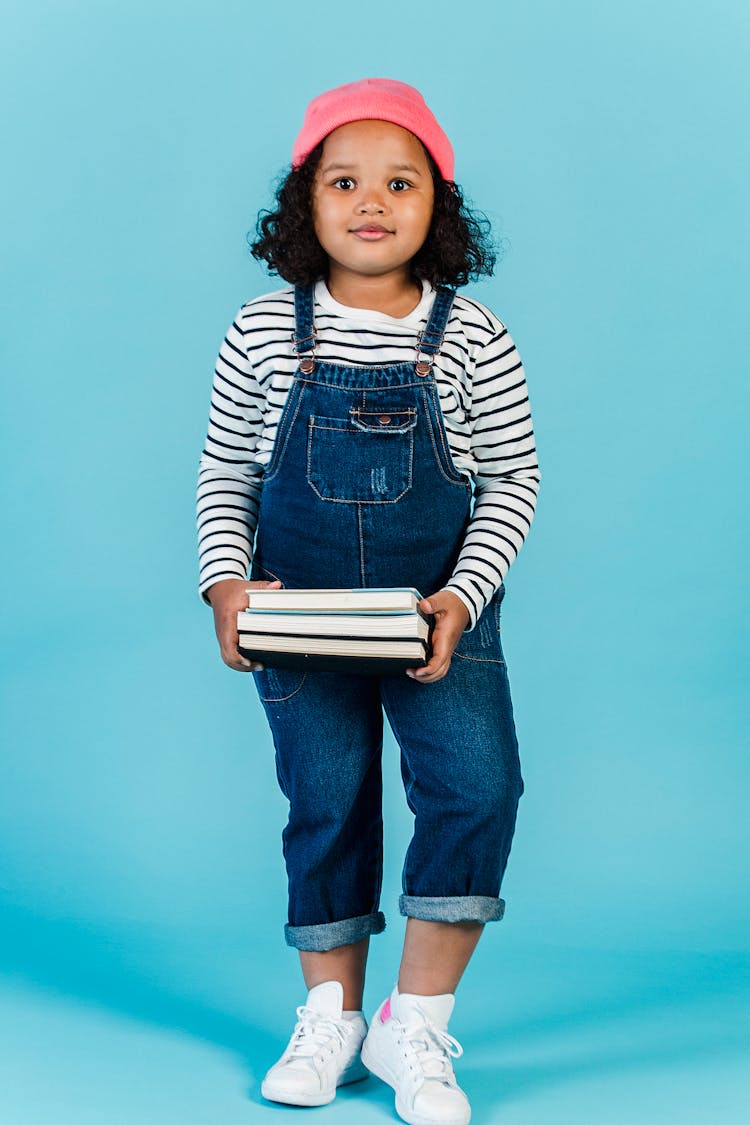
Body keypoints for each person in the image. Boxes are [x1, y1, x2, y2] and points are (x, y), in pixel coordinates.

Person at [196, 77, 541, 1125]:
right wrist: (225, 585)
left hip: (436, 616)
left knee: (478, 790)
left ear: (440, 206)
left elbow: (513, 482)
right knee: (328, 803)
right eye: (344, 181)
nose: (372, 200)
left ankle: (416, 1023)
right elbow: (226, 477)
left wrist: (462, 597)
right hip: (298, 619)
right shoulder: (262, 331)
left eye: (402, 180)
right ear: (307, 204)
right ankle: (332, 1017)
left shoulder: (473, 336)